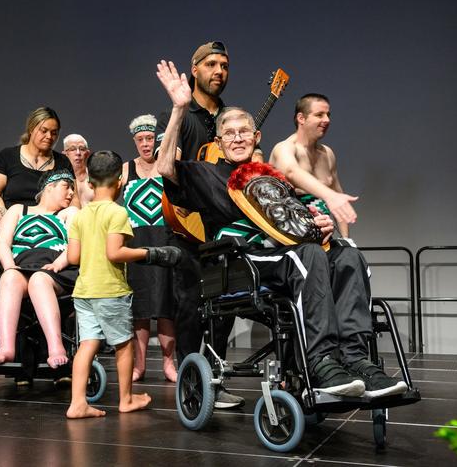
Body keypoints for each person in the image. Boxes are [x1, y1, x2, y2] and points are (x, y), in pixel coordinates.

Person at [156, 60, 408, 398]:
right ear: (218, 140)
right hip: (241, 260)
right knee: (306, 257)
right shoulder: (205, 173)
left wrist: (317, 224)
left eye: (244, 131)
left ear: (256, 136)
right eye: (228, 133)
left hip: (284, 254)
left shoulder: (270, 179)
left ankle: (357, 358)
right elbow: (164, 166)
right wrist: (179, 109)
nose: (237, 138)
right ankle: (320, 363)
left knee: (348, 256)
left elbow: (291, 220)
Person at [153, 41, 242, 408]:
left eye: (224, 64)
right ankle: (192, 387)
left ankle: (215, 380)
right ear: (195, 70)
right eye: (211, 64)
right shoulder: (182, 115)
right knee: (190, 307)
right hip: (188, 228)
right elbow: (165, 165)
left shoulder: (231, 117)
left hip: (225, 227)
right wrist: (178, 109)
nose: (219, 71)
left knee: (228, 306)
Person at [65, 151, 181, 419]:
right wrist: (150, 253)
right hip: (110, 291)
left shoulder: (80, 216)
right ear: (119, 182)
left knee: (87, 345)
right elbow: (115, 253)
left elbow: (72, 257)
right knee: (124, 344)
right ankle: (126, 399)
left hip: (84, 291)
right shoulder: (117, 212)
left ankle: (77, 402)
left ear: (90, 183)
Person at [0, 169, 79, 369]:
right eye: (66, 187)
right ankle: (7, 349)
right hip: (22, 267)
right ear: (48, 187)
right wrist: (10, 267)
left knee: (39, 280)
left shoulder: (69, 213)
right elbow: (2, 243)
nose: (71, 193)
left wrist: (59, 263)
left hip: (56, 270)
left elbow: (74, 245)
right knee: (8, 278)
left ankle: (56, 348)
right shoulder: (18, 210)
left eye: (73, 188)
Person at [120, 115, 177, 382]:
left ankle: (169, 363)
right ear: (134, 141)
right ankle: (139, 365)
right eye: (140, 139)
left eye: (150, 138)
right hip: (136, 242)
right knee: (140, 307)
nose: (145, 144)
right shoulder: (125, 169)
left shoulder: (166, 165)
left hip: (165, 239)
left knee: (166, 304)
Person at [269, 93, 358, 238]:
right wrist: (330, 196)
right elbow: (292, 171)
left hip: (324, 238)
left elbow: (339, 198)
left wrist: (346, 240)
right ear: (301, 118)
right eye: (319, 115)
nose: (327, 120)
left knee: (351, 255)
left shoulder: (327, 154)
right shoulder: (284, 148)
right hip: (290, 240)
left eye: (328, 115)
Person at [0, 106, 78, 220]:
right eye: (43, 131)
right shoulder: (7, 156)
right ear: (31, 129)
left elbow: (74, 199)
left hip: (51, 228)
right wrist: (8, 219)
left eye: (54, 133)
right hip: (14, 226)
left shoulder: (63, 162)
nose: (49, 137)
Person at [62, 134, 93, 205]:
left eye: (82, 149)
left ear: (87, 153)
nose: (78, 153)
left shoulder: (95, 177)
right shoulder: (58, 180)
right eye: (72, 149)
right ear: (65, 154)